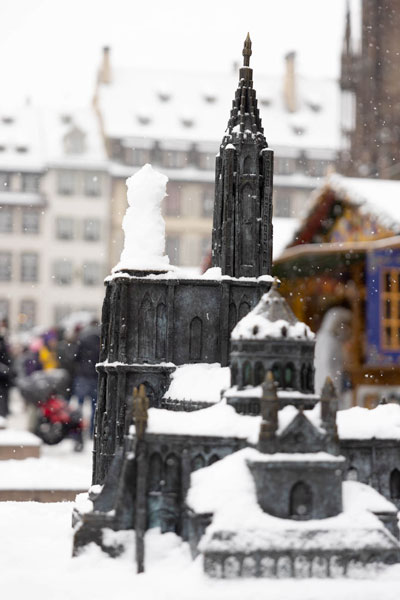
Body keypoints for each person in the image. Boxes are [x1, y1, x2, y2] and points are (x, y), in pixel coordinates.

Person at [73, 319, 100, 435]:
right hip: (96, 376)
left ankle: (78, 431)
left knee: (80, 406)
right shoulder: (101, 337)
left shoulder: (83, 336)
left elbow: (75, 356)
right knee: (95, 407)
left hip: (83, 376)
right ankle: (92, 432)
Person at [0, 321, 14, 418]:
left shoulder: (3, 341)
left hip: (4, 375)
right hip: (2, 374)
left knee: (4, 394)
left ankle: (4, 413)